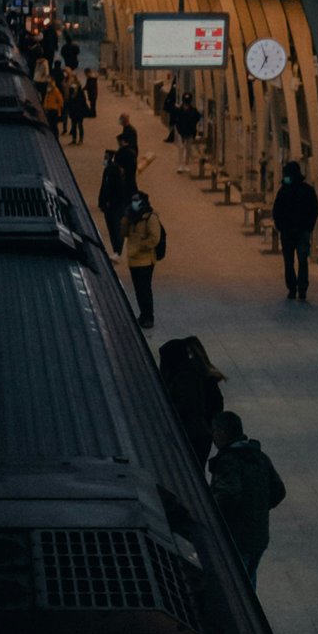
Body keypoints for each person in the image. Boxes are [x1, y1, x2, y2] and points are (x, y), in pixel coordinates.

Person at [209, 410, 285, 588]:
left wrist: (210, 512)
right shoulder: (259, 457)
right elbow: (279, 491)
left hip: (236, 536)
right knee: (249, 582)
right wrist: (257, 507)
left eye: (214, 431)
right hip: (258, 535)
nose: (212, 436)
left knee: (237, 585)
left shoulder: (228, 461)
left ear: (223, 432)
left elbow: (227, 495)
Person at [158, 337, 226, 469]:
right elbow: (217, 405)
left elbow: (183, 407)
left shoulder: (183, 379)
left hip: (189, 436)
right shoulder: (197, 375)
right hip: (201, 435)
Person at [271, 159, 318, 301]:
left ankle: (292, 288)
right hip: (302, 231)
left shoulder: (284, 191)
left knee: (289, 261)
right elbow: (314, 209)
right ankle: (302, 288)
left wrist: (280, 226)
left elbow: (277, 210)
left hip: (288, 231)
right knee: (302, 259)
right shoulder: (308, 190)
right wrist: (309, 226)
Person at [122, 190, 162, 329]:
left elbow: (155, 238)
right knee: (138, 289)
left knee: (144, 289)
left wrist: (141, 246)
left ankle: (148, 316)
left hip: (145, 261)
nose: (134, 203)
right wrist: (125, 218)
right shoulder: (132, 217)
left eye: (136, 201)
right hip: (133, 260)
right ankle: (143, 314)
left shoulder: (150, 218)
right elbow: (123, 233)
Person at [174, 95, 200, 170]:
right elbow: (176, 121)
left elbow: (197, 118)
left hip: (190, 132)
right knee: (181, 148)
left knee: (188, 148)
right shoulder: (179, 110)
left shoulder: (193, 111)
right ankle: (180, 165)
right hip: (181, 131)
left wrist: (193, 127)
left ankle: (186, 164)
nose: (186, 105)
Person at [65, 76, 88, 145]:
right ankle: (74, 139)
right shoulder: (71, 91)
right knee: (74, 125)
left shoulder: (80, 92)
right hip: (73, 111)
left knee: (80, 125)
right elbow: (69, 101)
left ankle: (81, 139)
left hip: (80, 111)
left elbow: (83, 101)